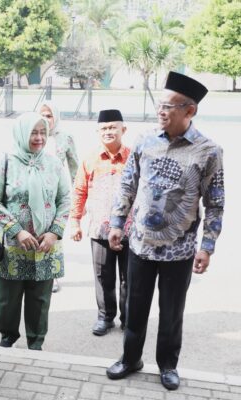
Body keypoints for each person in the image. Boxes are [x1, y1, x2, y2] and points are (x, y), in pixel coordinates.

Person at [106, 72, 225, 391]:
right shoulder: (144, 141)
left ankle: (168, 365)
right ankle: (130, 358)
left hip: (180, 250)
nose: (161, 111)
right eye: (160, 104)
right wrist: (117, 223)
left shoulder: (209, 151)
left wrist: (207, 246)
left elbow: (215, 203)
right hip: (140, 245)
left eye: (169, 106)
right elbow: (127, 184)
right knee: (134, 309)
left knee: (171, 313)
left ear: (190, 110)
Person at [0, 112, 70, 350]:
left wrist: (54, 232)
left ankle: (36, 342)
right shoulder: (6, 161)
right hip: (13, 246)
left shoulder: (54, 164)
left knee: (40, 300)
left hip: (46, 246)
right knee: (8, 300)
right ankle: (8, 337)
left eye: (43, 132)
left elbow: (65, 199)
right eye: (33, 132)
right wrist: (17, 231)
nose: (38, 138)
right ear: (22, 133)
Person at [69, 109, 131, 336]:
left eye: (113, 127)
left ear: (123, 129)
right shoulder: (90, 159)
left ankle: (128, 319)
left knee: (129, 278)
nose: (108, 132)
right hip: (99, 229)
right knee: (103, 276)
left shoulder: (134, 157)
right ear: (98, 131)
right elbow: (79, 192)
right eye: (104, 128)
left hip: (129, 230)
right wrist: (75, 221)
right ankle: (105, 317)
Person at [38, 101, 78, 293]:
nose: (45, 119)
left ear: (56, 117)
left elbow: (74, 166)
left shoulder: (65, 138)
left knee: (54, 232)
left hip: (55, 193)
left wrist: (79, 196)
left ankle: (51, 275)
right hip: (35, 191)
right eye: (42, 115)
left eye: (49, 116)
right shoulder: (33, 133)